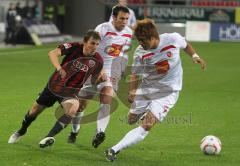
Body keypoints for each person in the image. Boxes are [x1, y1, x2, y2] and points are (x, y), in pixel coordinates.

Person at [104, 18, 207, 162]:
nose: (140, 43)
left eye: (142, 40)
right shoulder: (140, 52)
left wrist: (195, 56)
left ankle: (113, 150)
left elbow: (185, 45)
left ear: (153, 37)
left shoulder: (172, 39)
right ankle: (142, 112)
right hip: (147, 89)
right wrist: (132, 91)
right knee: (130, 120)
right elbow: (135, 73)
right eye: (138, 40)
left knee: (146, 125)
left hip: (168, 91)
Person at [8, 30, 103, 147]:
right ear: (84, 42)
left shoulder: (98, 60)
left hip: (70, 91)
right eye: (92, 43)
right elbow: (52, 53)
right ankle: (21, 131)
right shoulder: (73, 47)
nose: (95, 47)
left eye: (97, 44)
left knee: (72, 109)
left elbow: (93, 80)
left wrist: (99, 80)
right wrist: (59, 68)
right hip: (54, 85)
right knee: (33, 112)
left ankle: (49, 136)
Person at [67, 5, 133, 148]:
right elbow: (91, 49)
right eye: (122, 18)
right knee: (81, 106)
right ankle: (74, 131)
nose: (124, 21)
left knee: (107, 97)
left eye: (127, 19)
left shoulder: (128, 33)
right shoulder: (102, 28)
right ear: (114, 17)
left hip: (111, 72)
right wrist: (98, 68)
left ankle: (100, 132)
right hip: (93, 69)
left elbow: (122, 53)